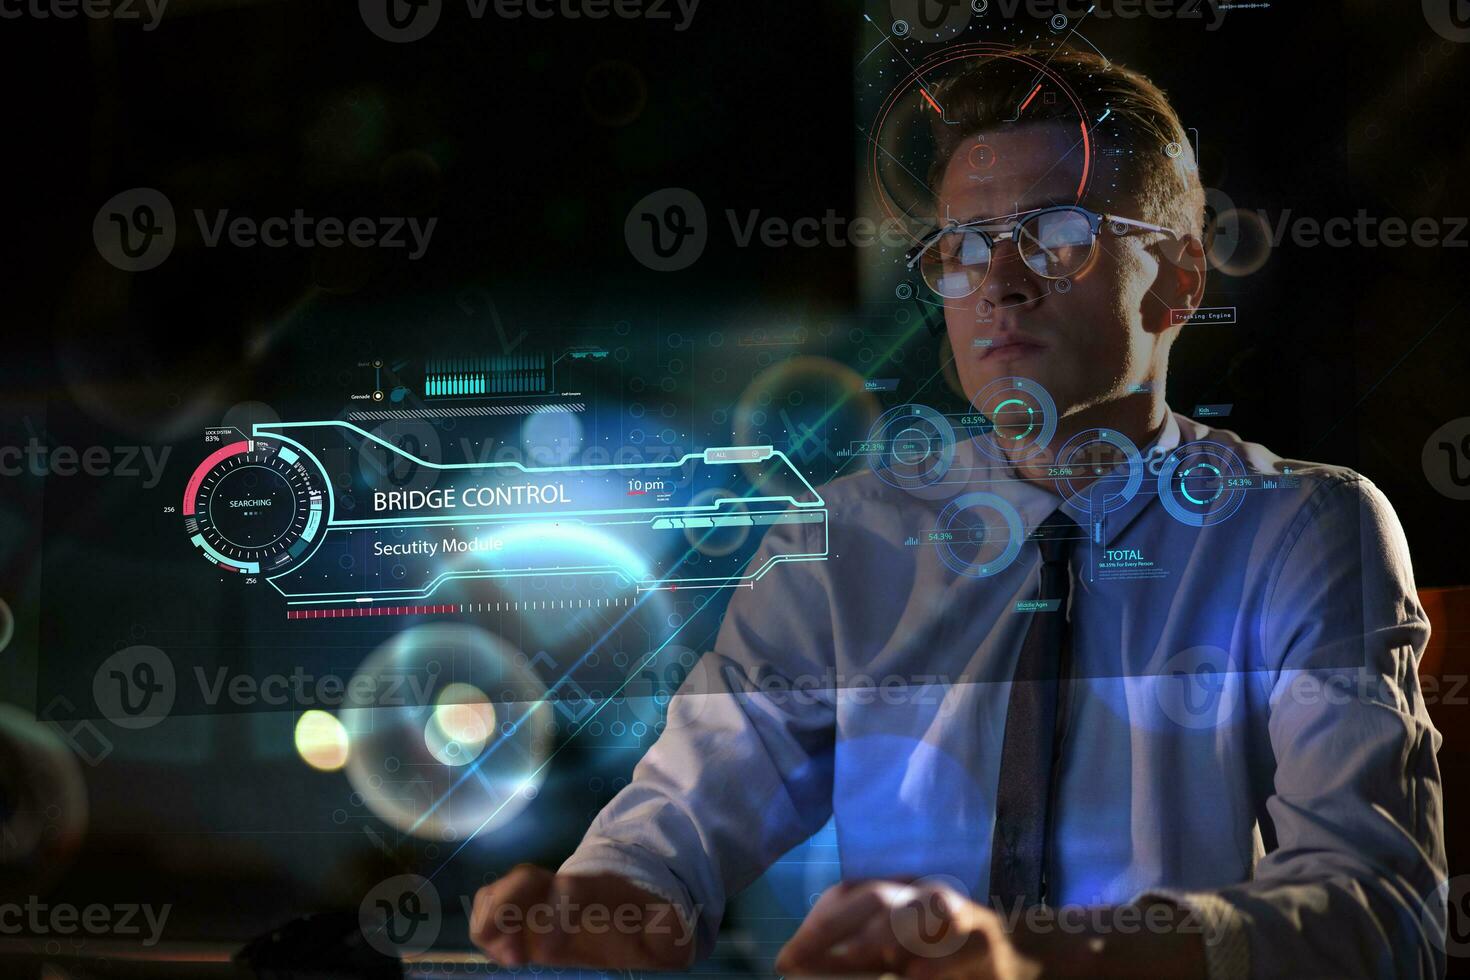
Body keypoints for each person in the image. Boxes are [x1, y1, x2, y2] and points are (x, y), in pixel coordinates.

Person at [469, 47, 1447, 979]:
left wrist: (1045, 960)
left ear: (1181, 280)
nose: (999, 282)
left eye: (1059, 234)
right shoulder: (844, 539)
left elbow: (1383, 911)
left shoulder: (1302, 530)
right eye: (963, 246)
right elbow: (683, 806)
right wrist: (618, 900)